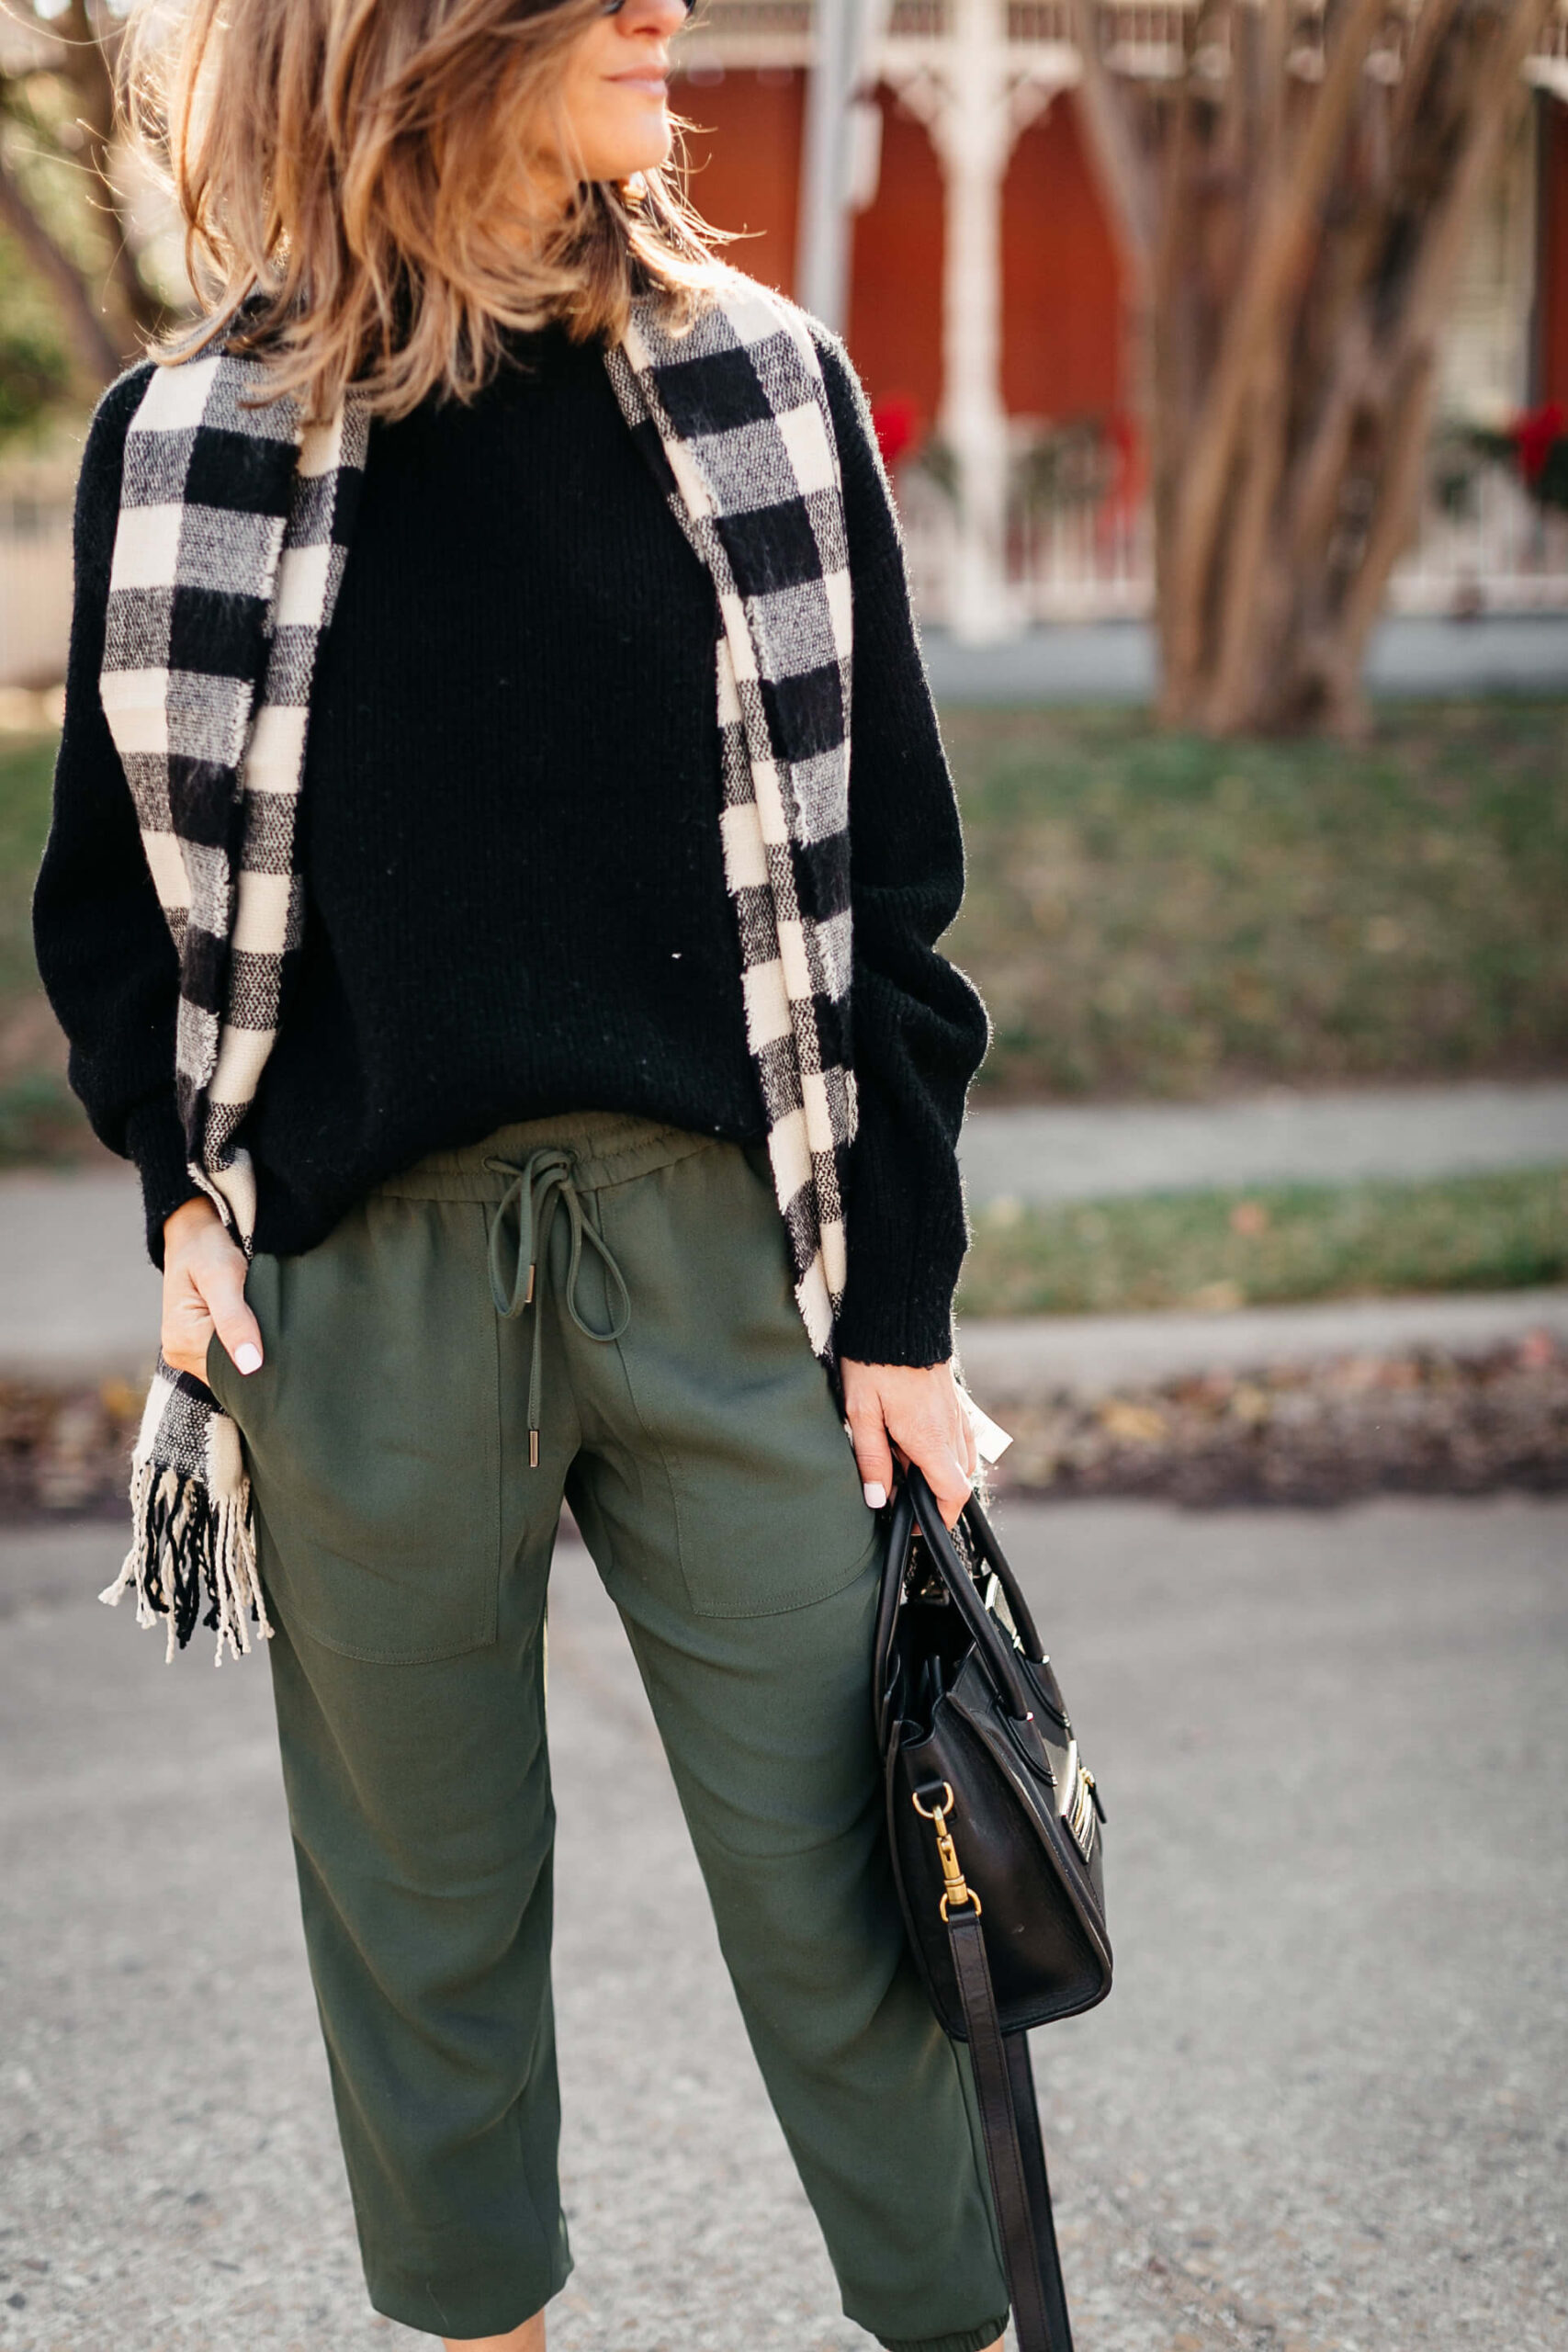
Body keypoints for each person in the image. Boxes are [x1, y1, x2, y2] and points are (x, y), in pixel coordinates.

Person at [33, 1, 1004, 2346]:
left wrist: (902, 1306)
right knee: (422, 1917)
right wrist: (178, 1195)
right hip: (354, 1296)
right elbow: (107, 905)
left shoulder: (761, 390)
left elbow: (888, 896)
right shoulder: (185, 449)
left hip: (724, 1260)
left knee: (854, 1890)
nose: (665, 13)